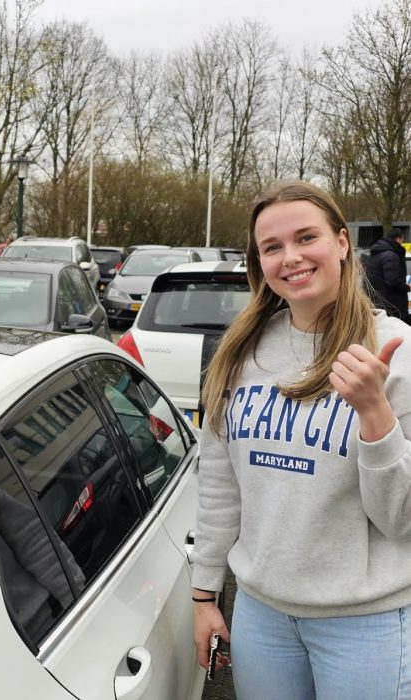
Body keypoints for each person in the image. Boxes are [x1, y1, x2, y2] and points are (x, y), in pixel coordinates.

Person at [192, 181, 411, 699]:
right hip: (261, 616)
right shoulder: (240, 352)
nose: (290, 257)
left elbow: (402, 520)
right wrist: (204, 596)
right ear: (259, 262)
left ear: (340, 242)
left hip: (366, 625)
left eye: (305, 237)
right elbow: (220, 487)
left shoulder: (396, 354)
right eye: (272, 247)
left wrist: (375, 414)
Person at [364, 226, 410, 324]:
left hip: (377, 305)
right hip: (393, 308)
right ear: (399, 239)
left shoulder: (375, 254)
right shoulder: (390, 256)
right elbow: (393, 281)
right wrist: (407, 287)